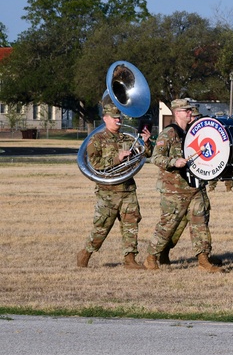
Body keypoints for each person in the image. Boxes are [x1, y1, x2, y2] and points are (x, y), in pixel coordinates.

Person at [145, 98, 220, 272]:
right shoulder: (169, 133)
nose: (190, 113)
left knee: (200, 223)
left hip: (195, 187)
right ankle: (151, 257)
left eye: (190, 110)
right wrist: (173, 161)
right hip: (174, 189)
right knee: (168, 225)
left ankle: (203, 260)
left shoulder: (193, 133)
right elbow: (155, 157)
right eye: (186, 111)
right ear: (177, 113)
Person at [76, 101, 153, 270]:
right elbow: (95, 164)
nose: (118, 120)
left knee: (131, 224)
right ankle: (86, 253)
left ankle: (130, 259)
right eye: (114, 117)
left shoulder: (127, 138)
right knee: (102, 226)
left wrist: (146, 142)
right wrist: (117, 158)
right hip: (108, 191)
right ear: (105, 118)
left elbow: (146, 154)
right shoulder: (97, 139)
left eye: (119, 117)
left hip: (127, 188)